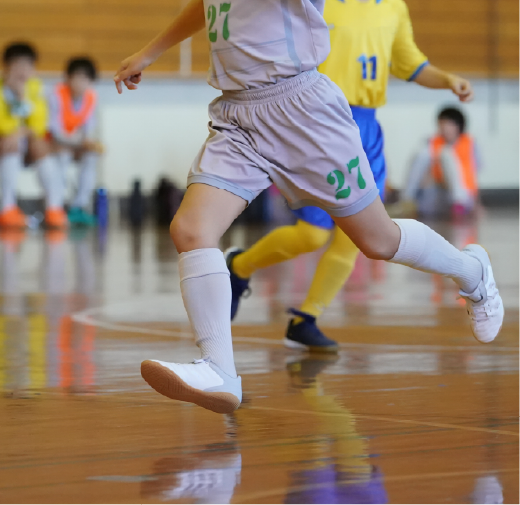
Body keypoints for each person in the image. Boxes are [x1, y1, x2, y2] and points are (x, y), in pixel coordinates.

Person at [114, 0, 503, 414]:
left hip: (301, 110)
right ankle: (219, 370)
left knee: (377, 239)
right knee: (191, 229)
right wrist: (150, 52)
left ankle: (472, 272)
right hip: (240, 112)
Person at [225, 0, 478, 353]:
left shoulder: (392, 7)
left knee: (356, 239)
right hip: (319, 121)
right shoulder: (316, 3)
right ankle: (238, 266)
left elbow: (412, 65)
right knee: (312, 234)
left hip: (367, 127)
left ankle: (306, 319)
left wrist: (448, 79)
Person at [0, 42, 60, 229]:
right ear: (6, 66)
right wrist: (16, 130)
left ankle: (54, 208)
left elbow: (38, 125)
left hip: (23, 142)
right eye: (18, 65)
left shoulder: (35, 88)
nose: (23, 71)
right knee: (10, 145)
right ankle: (7, 208)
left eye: (28, 66)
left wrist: (22, 99)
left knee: (40, 145)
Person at [394, 106, 480, 219]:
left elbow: (473, 176)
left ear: (458, 126)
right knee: (422, 153)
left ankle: (459, 203)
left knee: (446, 153)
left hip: (461, 195)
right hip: (437, 193)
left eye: (449, 124)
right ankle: (406, 200)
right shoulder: (431, 143)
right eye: (442, 125)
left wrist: (478, 204)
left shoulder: (469, 143)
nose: (445, 129)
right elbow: (422, 173)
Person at [48, 57, 103, 226]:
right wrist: (78, 142)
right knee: (62, 158)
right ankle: (57, 207)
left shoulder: (91, 98)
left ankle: (78, 206)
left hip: (76, 144)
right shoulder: (55, 95)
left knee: (92, 156)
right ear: (68, 77)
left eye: (85, 78)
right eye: (76, 77)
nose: (80, 82)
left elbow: (89, 128)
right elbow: (54, 130)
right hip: (55, 144)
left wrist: (87, 143)